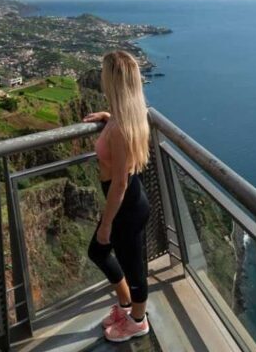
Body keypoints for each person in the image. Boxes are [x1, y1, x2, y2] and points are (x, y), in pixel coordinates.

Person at [83, 50, 151, 342]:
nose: (101, 77)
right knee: (99, 252)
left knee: (133, 269)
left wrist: (107, 224)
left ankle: (138, 321)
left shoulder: (121, 129)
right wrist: (107, 118)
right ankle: (126, 306)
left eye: (104, 73)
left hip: (126, 208)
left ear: (113, 81)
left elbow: (120, 184)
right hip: (130, 203)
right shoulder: (124, 118)